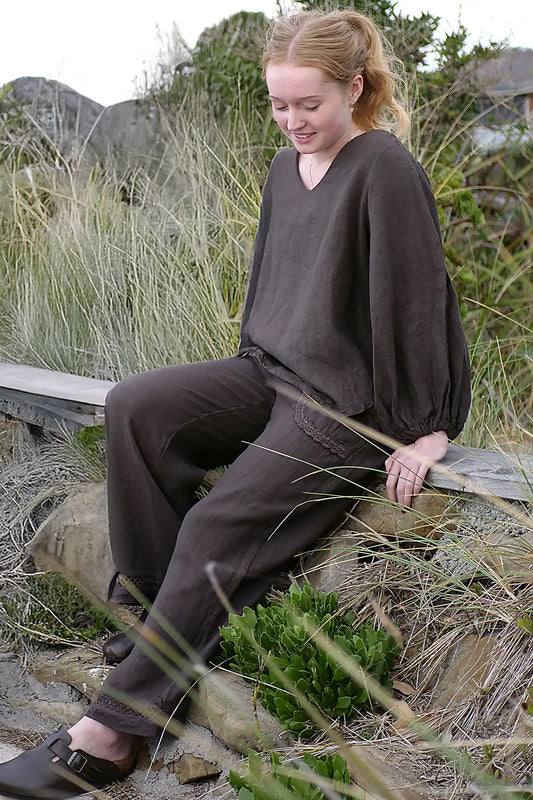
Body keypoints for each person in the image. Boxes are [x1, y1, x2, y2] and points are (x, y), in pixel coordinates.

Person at [0, 9, 470, 799]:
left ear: (353, 89)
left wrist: (427, 431)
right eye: (279, 105)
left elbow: (417, 301)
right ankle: (152, 625)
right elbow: (272, 295)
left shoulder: (382, 167)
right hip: (272, 372)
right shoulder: (287, 168)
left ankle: (112, 731)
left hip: (346, 407)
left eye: (308, 105)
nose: (292, 122)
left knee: (218, 525)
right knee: (138, 406)